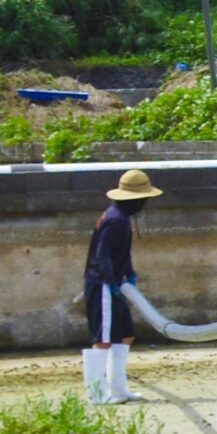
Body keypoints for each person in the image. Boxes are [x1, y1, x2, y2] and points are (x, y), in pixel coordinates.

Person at [83, 169, 162, 404]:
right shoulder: (115, 219)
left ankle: (118, 389)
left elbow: (121, 254)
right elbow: (103, 255)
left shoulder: (120, 218)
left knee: (124, 335)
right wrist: (114, 283)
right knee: (104, 338)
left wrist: (129, 272)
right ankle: (98, 394)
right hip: (103, 285)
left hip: (116, 282)